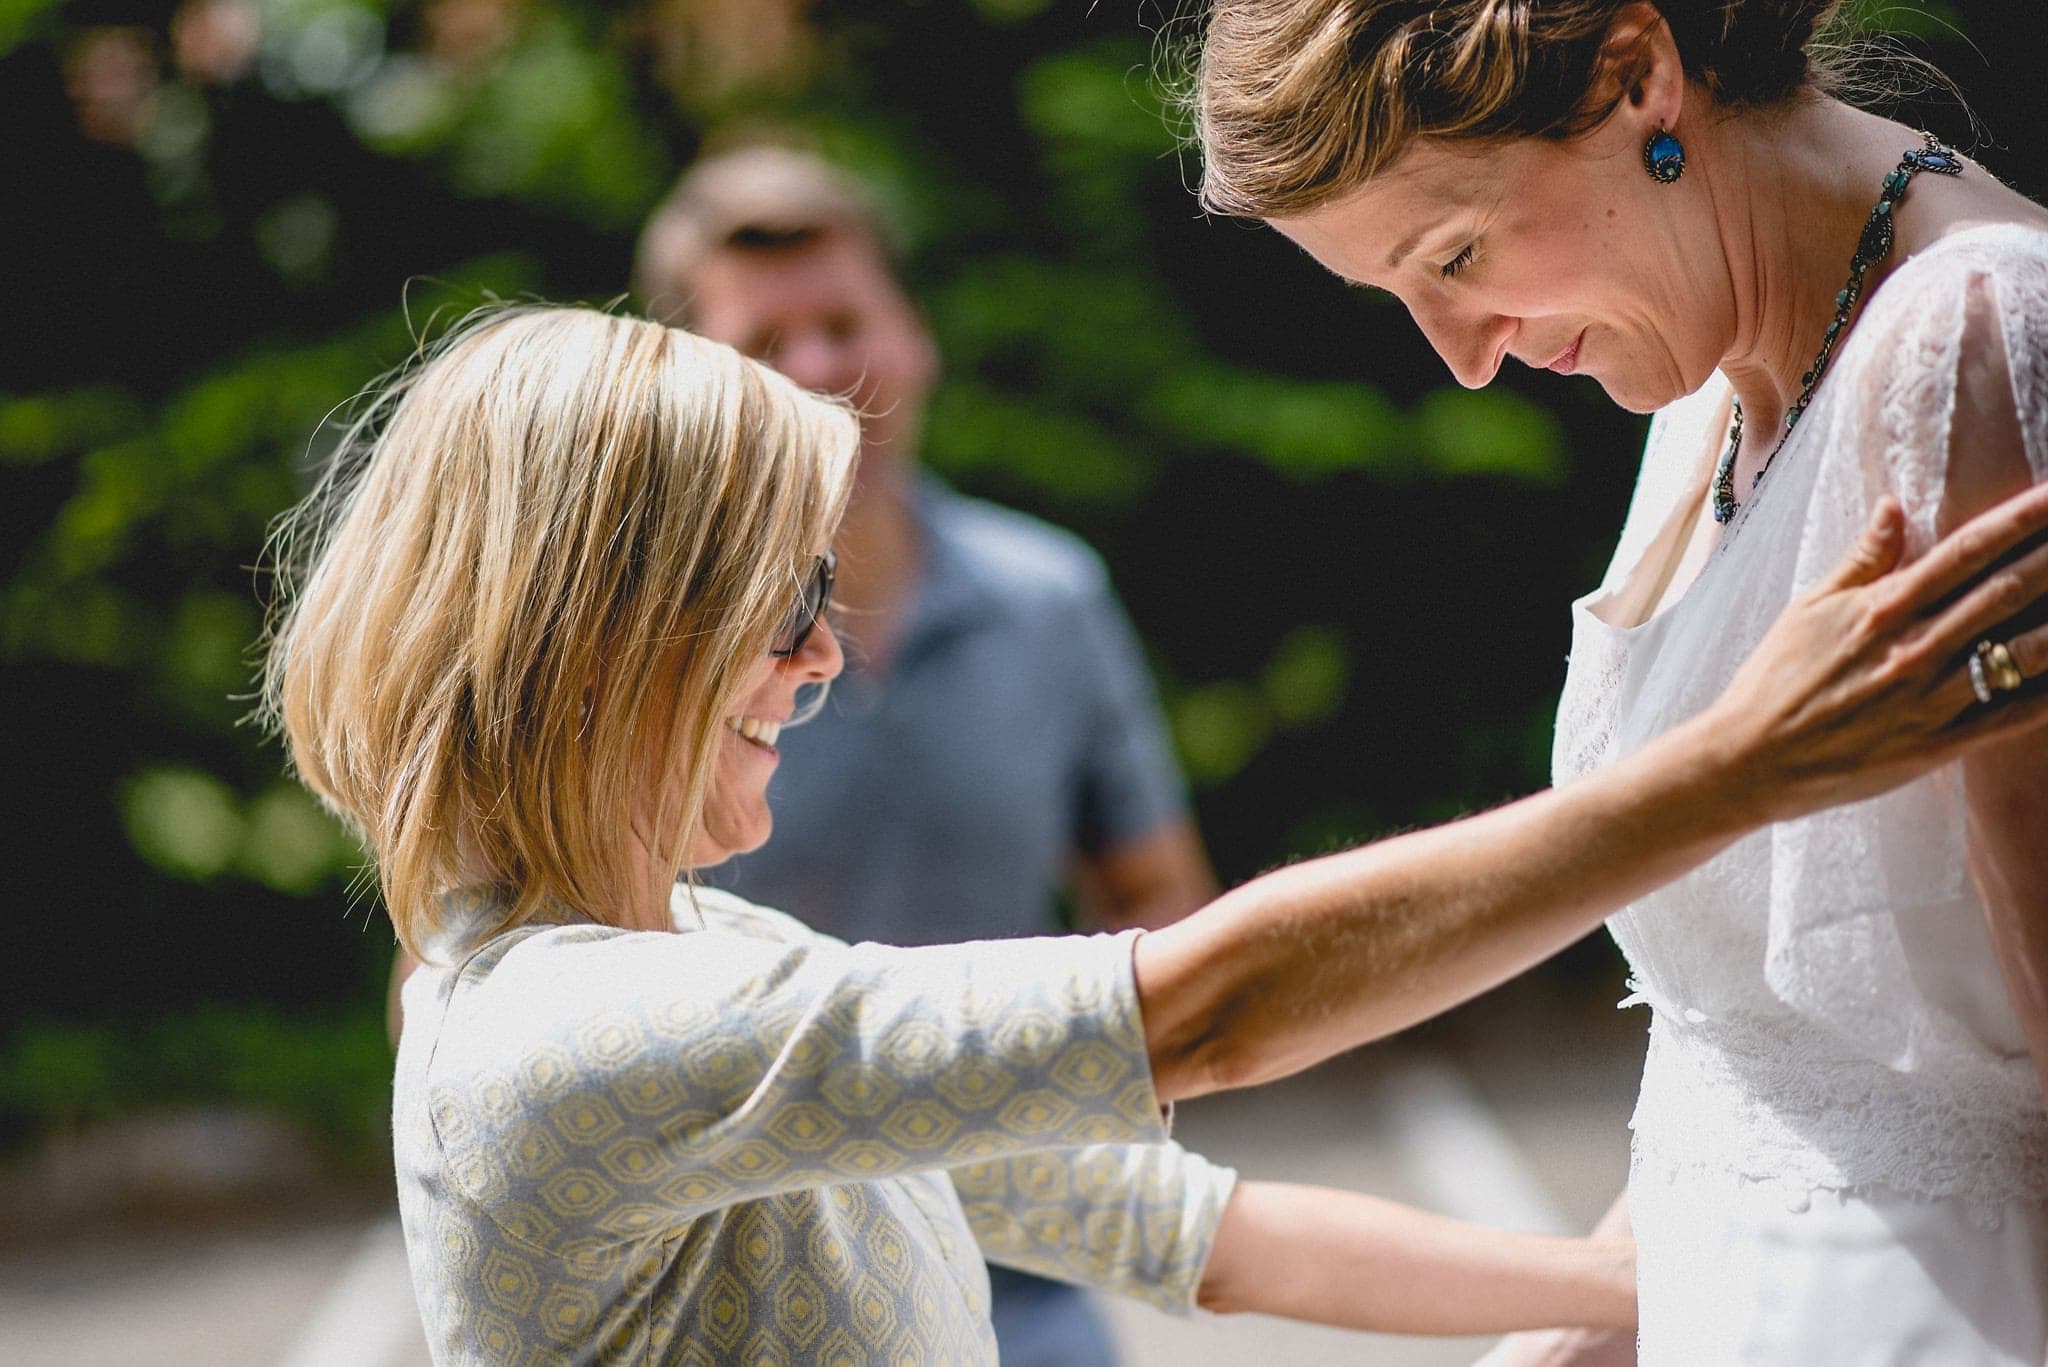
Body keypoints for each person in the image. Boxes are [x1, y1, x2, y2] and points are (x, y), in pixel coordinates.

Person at [263, 302, 2048, 1364]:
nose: (826, 651)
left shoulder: (700, 954)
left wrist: (1627, 1290)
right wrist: (1740, 765)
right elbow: (1198, 1009)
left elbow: (1163, 1216)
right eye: (779, 599)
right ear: (605, 637)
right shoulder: (562, 1039)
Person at [1187, 1, 2048, 1360]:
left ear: (1637, 74)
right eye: (1399, 298)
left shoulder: (1971, 342)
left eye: (1455, 255)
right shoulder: (1710, 375)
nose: (1464, 358)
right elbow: (1768, 1076)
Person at [631, 146, 1215, 1367]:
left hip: (1024, 1259)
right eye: (760, 346)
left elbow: (1160, 905)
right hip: (735, 1283)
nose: (817, 371)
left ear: (912, 336)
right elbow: (477, 966)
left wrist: (1087, 1103)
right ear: (692, 393)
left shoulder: (1048, 598)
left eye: (844, 320)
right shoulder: (634, 653)